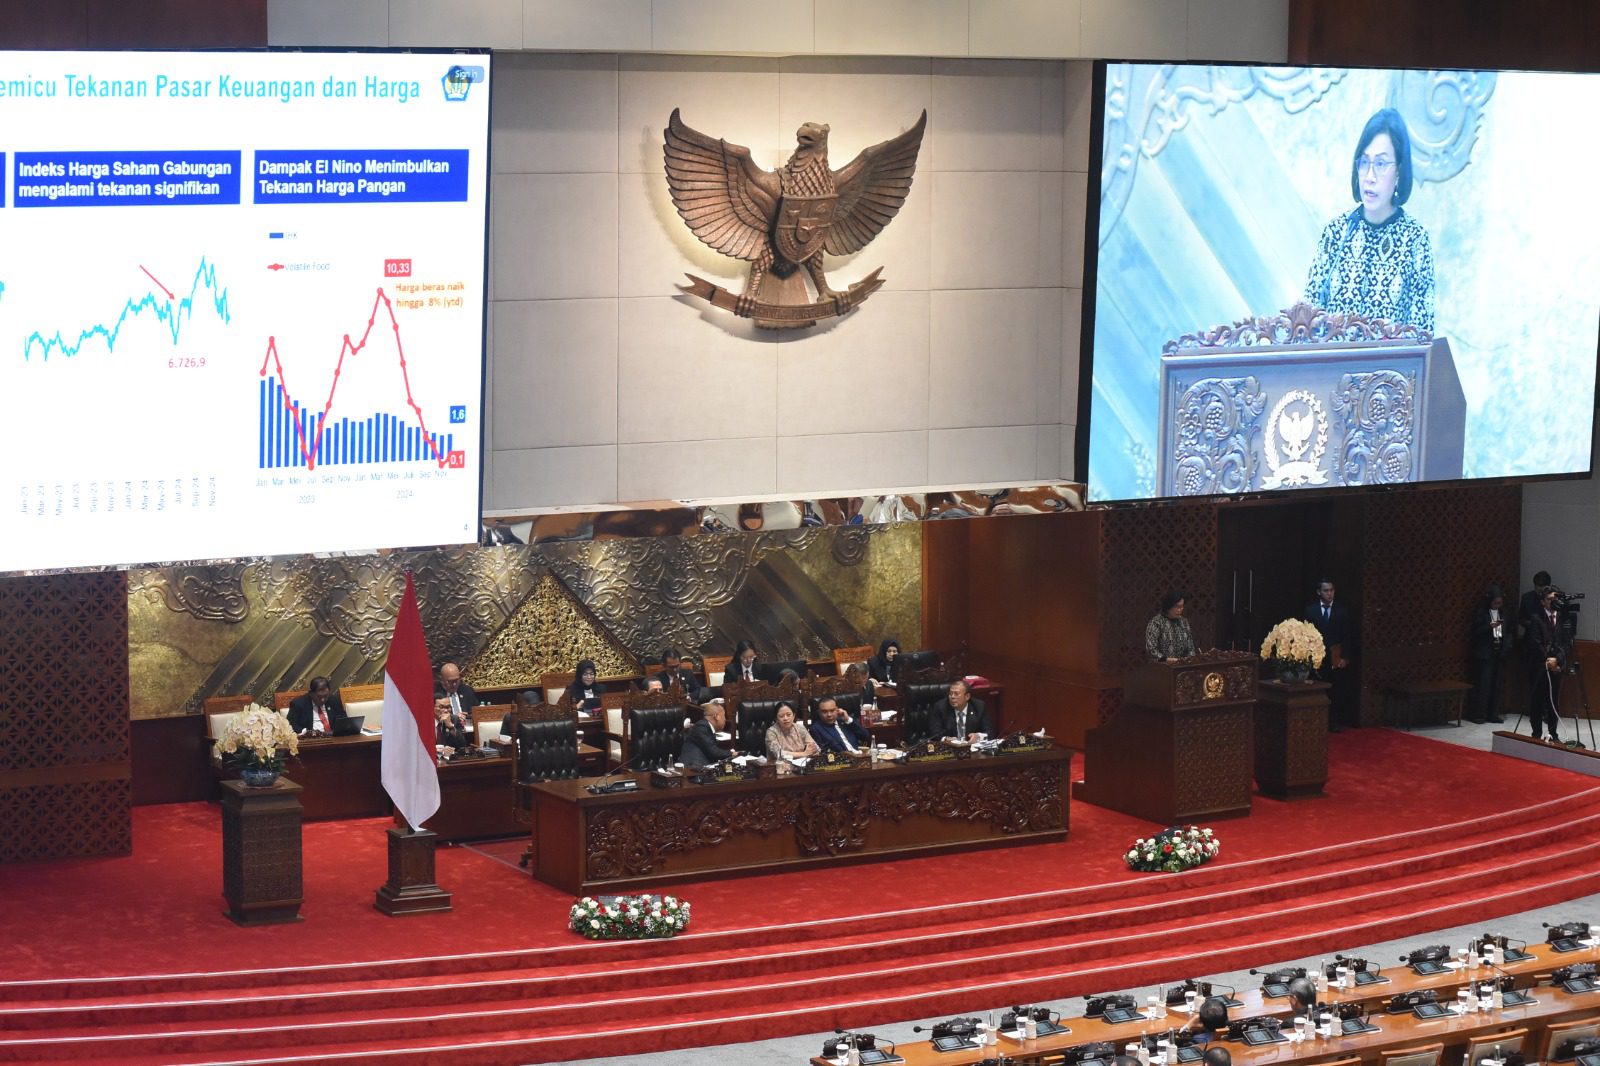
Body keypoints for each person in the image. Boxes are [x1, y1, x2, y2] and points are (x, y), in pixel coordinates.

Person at [1304, 107, 1434, 332]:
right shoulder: (1337, 233)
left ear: (1399, 172)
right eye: (1364, 163)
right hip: (1333, 366)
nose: (1370, 177)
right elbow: (1307, 318)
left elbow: (1423, 334)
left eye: (1381, 164)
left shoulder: (1415, 240)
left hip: (1390, 368)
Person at [1304, 577, 1356, 730]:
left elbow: (1347, 636)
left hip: (1335, 655)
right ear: (1319, 592)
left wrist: (1345, 657)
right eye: (1326, 591)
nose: (1329, 594)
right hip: (1318, 656)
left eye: (1331, 590)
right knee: (1317, 688)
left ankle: (1333, 722)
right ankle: (1316, 721)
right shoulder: (1311, 611)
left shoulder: (1341, 611)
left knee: (1336, 690)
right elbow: (1307, 635)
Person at [1525, 586, 1567, 743]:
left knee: (1553, 701)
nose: (1553, 601)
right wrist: (1548, 660)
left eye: (1554, 598)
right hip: (1539, 666)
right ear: (1543, 602)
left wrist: (1557, 661)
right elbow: (1535, 643)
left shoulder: (1562, 618)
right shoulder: (1536, 619)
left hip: (1556, 667)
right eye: (1549, 599)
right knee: (1537, 700)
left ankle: (1553, 733)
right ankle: (1536, 733)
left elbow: (1565, 643)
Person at [1468, 586, 1511, 724]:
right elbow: (1475, 631)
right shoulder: (1482, 613)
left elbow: (1508, 632)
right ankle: (1479, 714)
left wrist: (1506, 648)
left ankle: (1493, 713)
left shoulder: (1503, 613)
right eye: (1495, 603)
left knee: (1496, 685)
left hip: (1498, 651)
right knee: (1483, 684)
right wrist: (1490, 626)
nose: (1498, 605)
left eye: (1500, 603)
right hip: (1485, 652)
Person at [928, 678, 993, 744]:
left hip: (972, 749)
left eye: (956, 694)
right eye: (950, 693)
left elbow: (990, 732)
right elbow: (934, 733)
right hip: (950, 749)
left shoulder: (979, 707)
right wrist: (945, 739)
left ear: (967, 696)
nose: (952, 697)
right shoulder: (940, 707)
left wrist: (978, 736)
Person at [1145, 590, 1197, 662]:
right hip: (1162, 667)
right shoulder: (1156, 623)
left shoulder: (1183, 622)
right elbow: (1151, 649)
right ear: (1168, 606)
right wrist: (1167, 659)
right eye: (1177, 607)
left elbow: (1190, 647)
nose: (1181, 610)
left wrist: (1190, 660)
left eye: (1182, 606)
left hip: (1182, 666)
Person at [433, 662, 476, 745]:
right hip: (444, 734)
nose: (454, 684)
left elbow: (476, 711)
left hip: (467, 734)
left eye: (456, 680)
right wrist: (455, 717)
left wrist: (468, 716)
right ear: (442, 680)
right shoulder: (435, 693)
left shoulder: (467, 691)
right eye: (450, 681)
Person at [679, 702, 731, 768]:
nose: (725, 720)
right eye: (724, 716)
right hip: (692, 769)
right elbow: (714, 752)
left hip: (700, 767)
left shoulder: (705, 726)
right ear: (716, 716)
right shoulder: (701, 727)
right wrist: (732, 753)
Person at [1519, 570, 1553, 640]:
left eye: (1542, 587)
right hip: (1531, 636)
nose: (1539, 590)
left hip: (1549, 637)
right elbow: (1521, 618)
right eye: (1537, 586)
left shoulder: (1553, 599)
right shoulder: (1527, 598)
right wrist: (1533, 624)